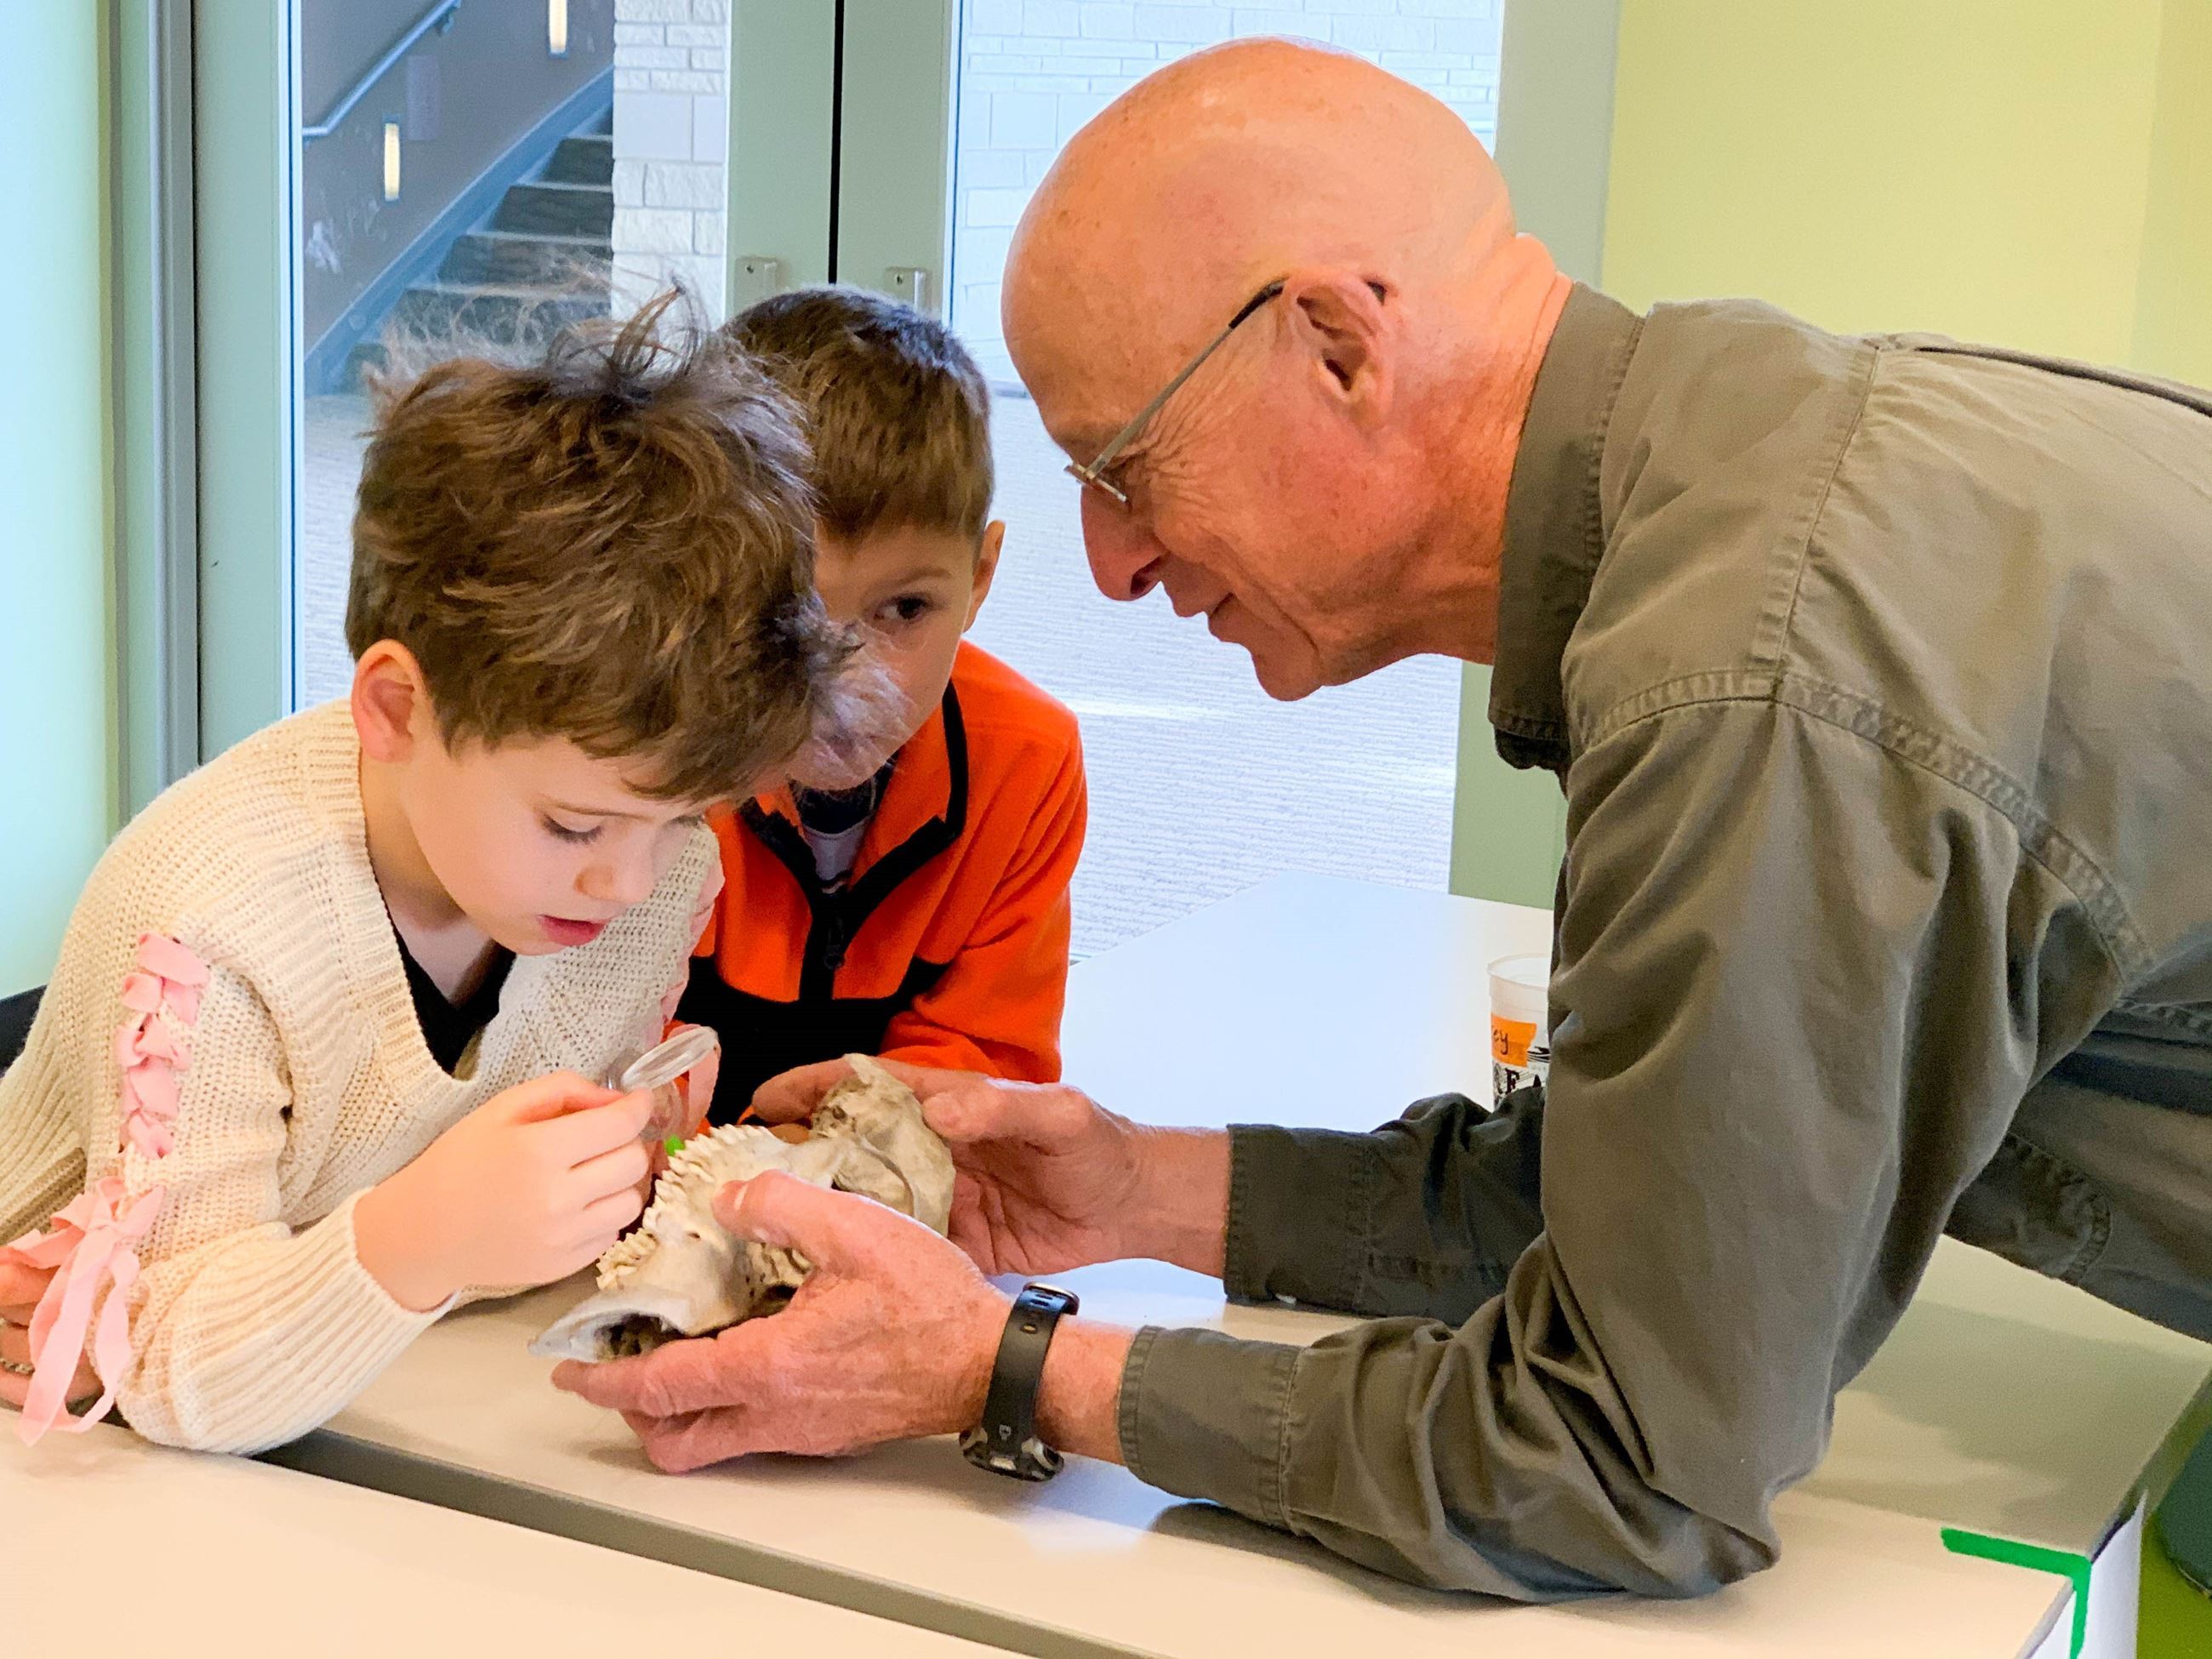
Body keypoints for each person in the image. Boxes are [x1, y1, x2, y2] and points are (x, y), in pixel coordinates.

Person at [555, 39, 2212, 1600]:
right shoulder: (1759, 474)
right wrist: (1134, 1192)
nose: (1111, 566)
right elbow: (1640, 1205)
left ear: (1340, 345)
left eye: (1122, 468)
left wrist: (1003, 1369)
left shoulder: (1755, 673)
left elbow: (1626, 1461)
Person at [0, 298, 862, 1452]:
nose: (630, 882)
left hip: (378, 1392)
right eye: (574, 824)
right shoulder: (209, 918)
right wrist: (419, 1238)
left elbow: (539, 1208)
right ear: (398, 708)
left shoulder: (650, 870)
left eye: (681, 819)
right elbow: (150, 1362)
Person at [678, 288, 1086, 1113]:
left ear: (979, 578)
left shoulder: (1027, 763)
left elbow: (986, 1059)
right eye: (788, 610)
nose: (843, 679)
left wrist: (833, 1148)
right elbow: (590, 1043)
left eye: (903, 609)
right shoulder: (646, 754)